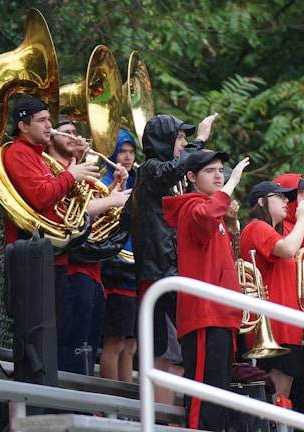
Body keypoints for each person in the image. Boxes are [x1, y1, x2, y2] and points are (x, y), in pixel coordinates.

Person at [125, 112, 218, 403]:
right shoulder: (152, 169)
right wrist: (201, 139)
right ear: (163, 139)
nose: (185, 143)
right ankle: (158, 417)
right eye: (180, 137)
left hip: (164, 272)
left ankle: (164, 416)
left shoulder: (153, 178)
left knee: (169, 353)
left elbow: (126, 218)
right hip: (158, 274)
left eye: (187, 138)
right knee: (161, 352)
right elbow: (174, 168)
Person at [162, 149, 250, 431]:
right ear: (191, 177)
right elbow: (207, 214)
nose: (219, 175)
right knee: (204, 398)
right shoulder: (192, 207)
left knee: (218, 397)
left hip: (220, 315)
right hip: (204, 314)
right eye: (210, 171)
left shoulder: (209, 210)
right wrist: (232, 184)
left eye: (222, 170)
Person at [46, 115, 131, 375]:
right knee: (72, 346)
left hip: (93, 271)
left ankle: (83, 407)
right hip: (71, 269)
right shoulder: (52, 170)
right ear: (50, 137)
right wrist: (111, 200)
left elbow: (98, 213)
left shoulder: (80, 171)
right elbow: (69, 214)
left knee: (88, 347)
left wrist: (118, 185)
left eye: (76, 131)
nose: (75, 136)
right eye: (67, 131)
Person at [3, 96, 99, 320]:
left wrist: (79, 160)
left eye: (49, 120)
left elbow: (63, 200)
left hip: (51, 254)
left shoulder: (39, 156)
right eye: (42, 120)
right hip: (31, 254)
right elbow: (41, 196)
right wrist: (70, 175)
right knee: (37, 334)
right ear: (23, 126)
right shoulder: (18, 152)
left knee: (51, 336)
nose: (49, 126)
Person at [239, 180, 304, 404]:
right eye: (279, 196)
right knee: (277, 400)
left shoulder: (270, 230)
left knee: (281, 398)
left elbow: (294, 245)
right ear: (261, 201)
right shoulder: (258, 226)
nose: (286, 201)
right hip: (275, 327)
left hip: (285, 326)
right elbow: (289, 249)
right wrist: (303, 219)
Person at [99, 128, 139, 382]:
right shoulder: (104, 184)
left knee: (131, 346)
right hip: (115, 270)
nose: (127, 157)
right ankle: (110, 404)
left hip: (135, 268)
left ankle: (129, 408)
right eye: (122, 151)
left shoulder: (137, 183)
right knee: (114, 343)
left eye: (131, 151)